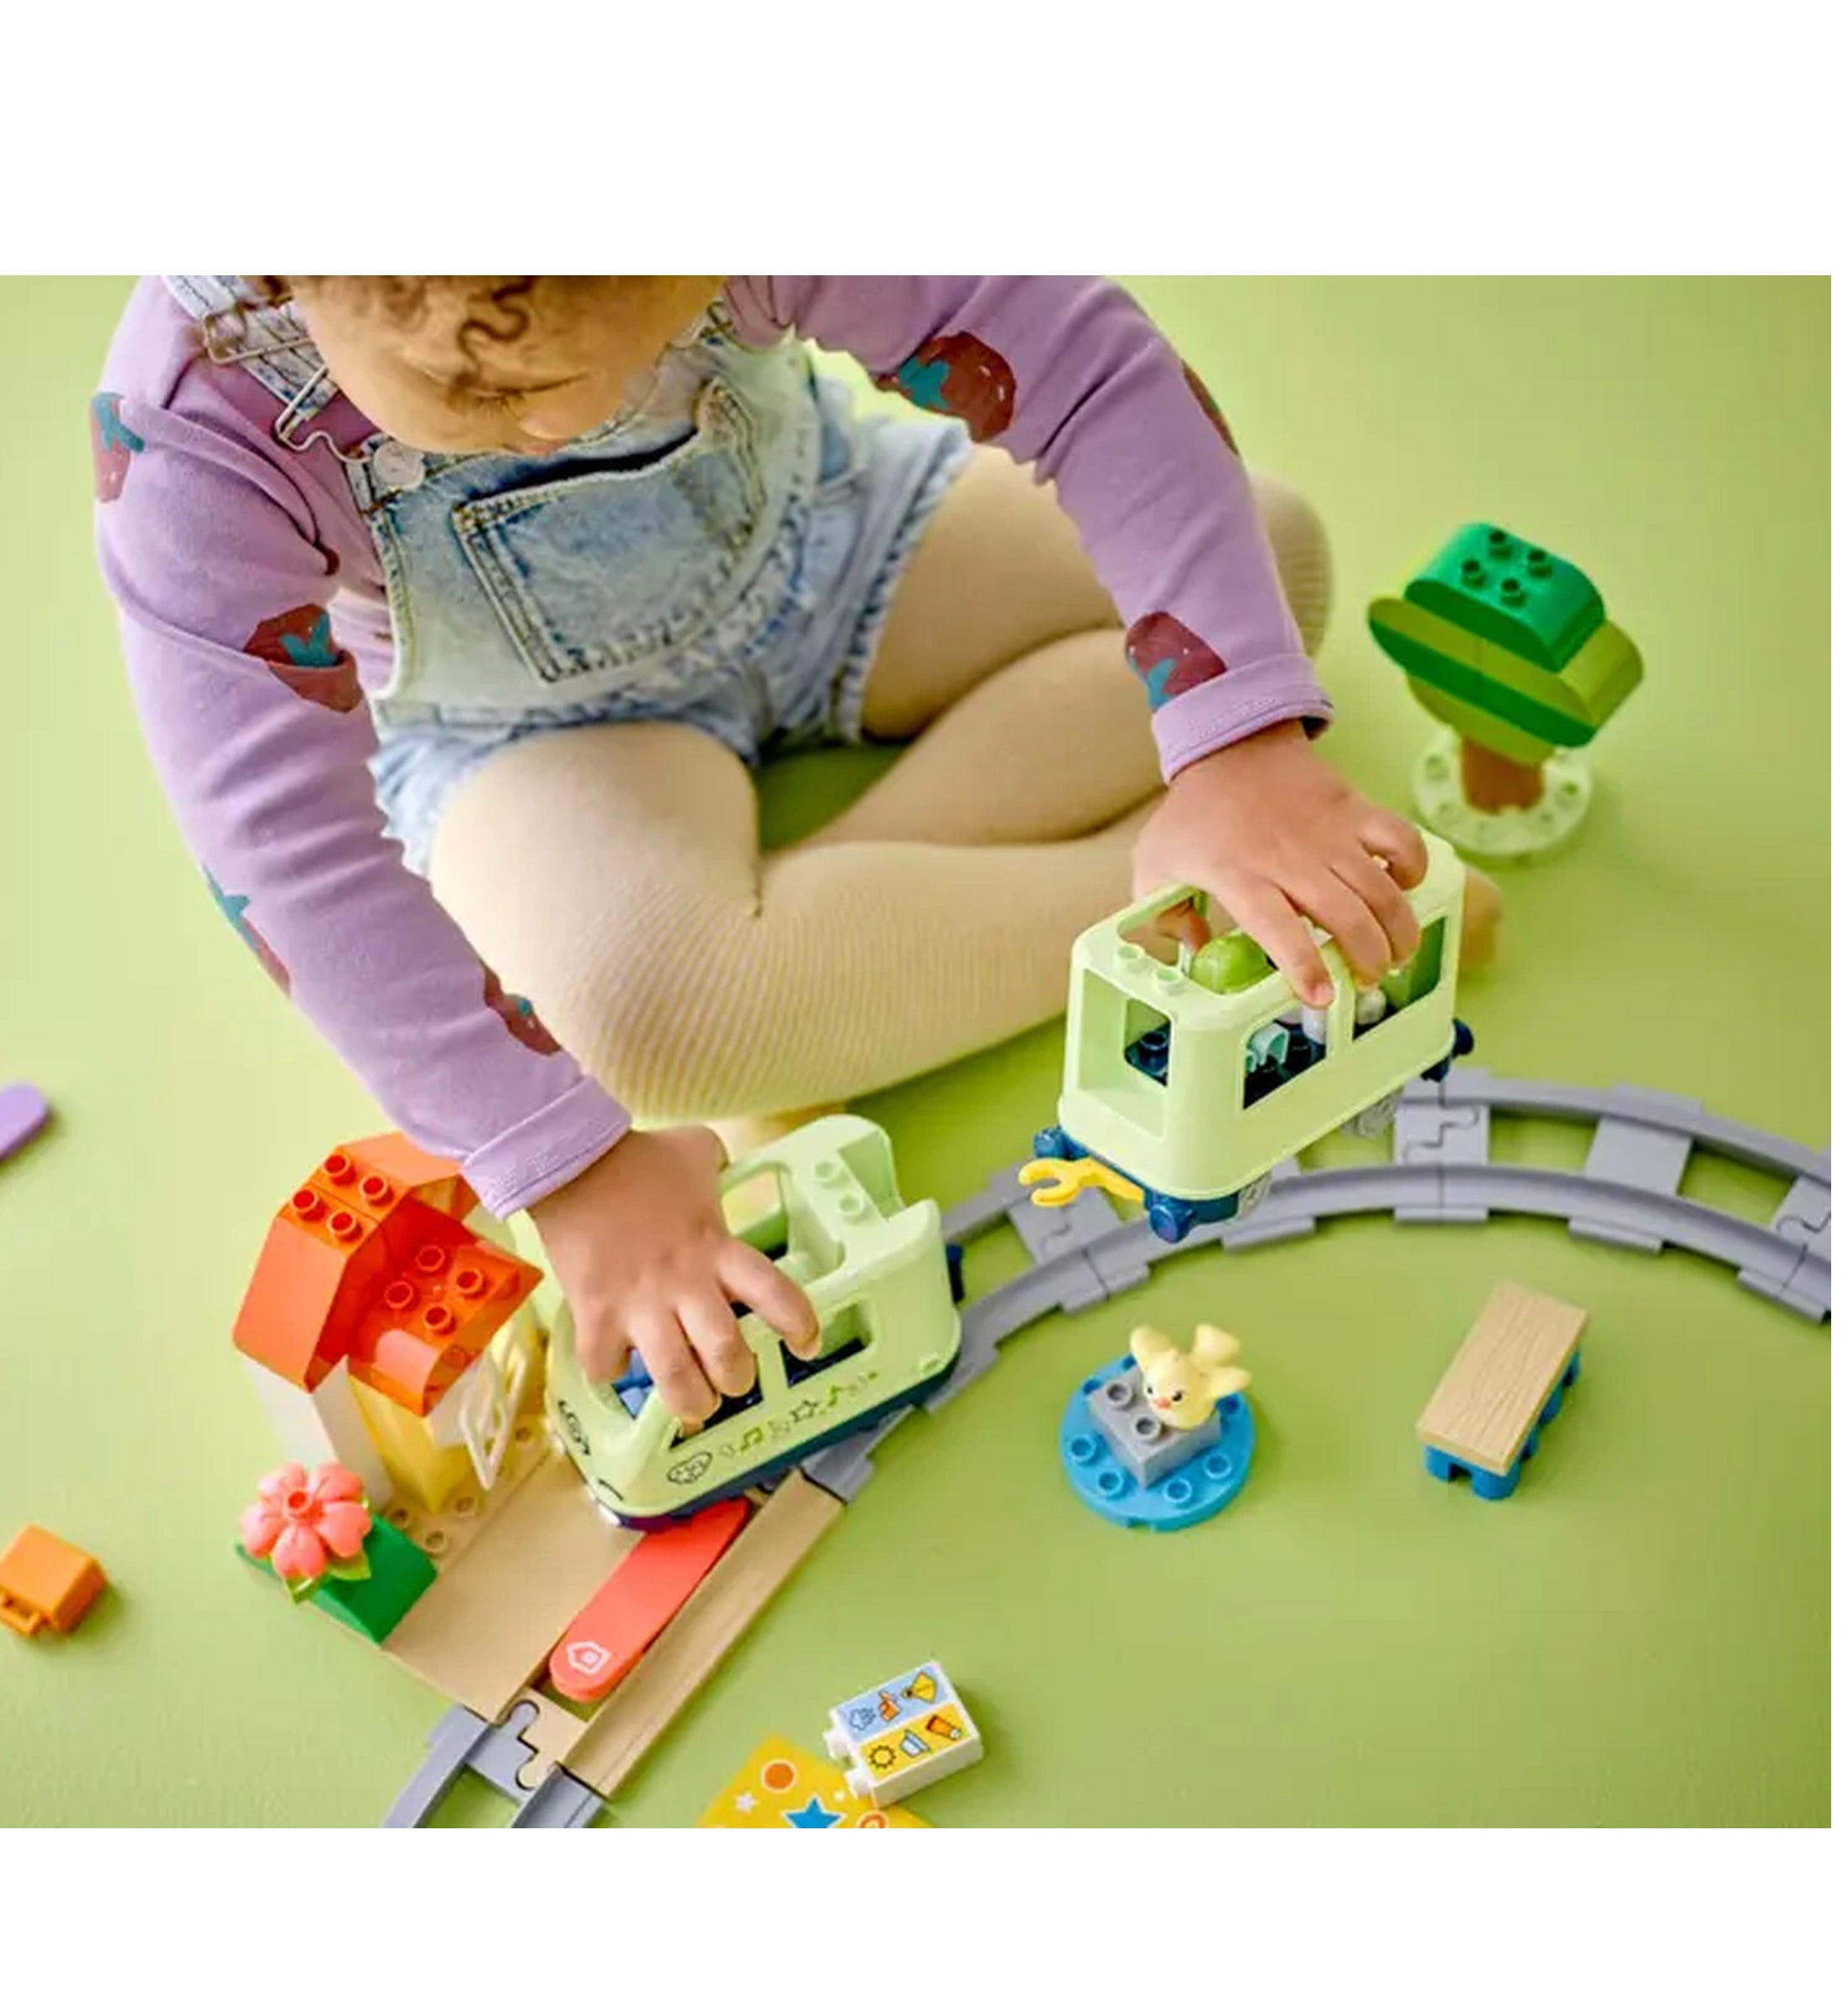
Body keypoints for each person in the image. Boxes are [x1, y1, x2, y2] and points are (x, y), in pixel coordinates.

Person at [94, 274, 1498, 1426]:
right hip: (532, 739)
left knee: (1274, 545)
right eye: (482, 398)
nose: (565, 418)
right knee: (636, 1022)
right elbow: (282, 845)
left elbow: (1084, 371)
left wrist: (1237, 745)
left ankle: (839, 955)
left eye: (634, 340)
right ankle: (1146, 900)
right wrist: (575, 1172)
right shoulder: (194, 437)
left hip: (840, 544)